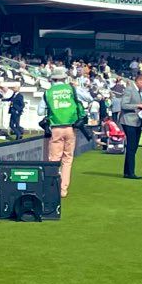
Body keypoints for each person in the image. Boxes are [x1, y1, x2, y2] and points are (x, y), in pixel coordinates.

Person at [40, 74, 87, 202]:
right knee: (67, 159)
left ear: (53, 79)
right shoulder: (71, 89)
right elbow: (88, 98)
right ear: (64, 78)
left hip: (55, 127)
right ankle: (63, 189)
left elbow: (40, 111)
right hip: (70, 127)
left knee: (54, 159)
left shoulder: (48, 92)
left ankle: (51, 187)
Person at [117, 70, 142, 178]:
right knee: (131, 147)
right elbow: (124, 105)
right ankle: (130, 172)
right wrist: (138, 106)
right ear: (138, 81)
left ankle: (127, 172)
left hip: (136, 121)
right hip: (129, 121)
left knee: (133, 147)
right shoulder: (130, 89)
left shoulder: (138, 91)